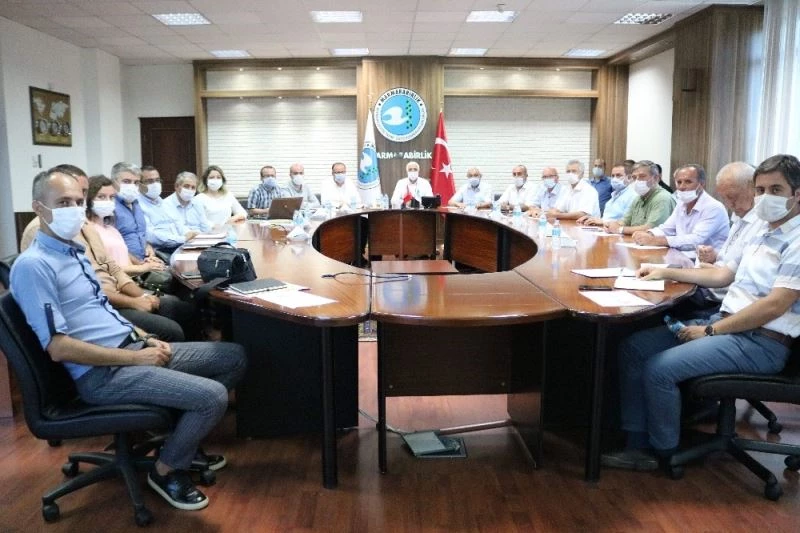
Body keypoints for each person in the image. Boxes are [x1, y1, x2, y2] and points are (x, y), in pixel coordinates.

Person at [10, 168, 247, 510]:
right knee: (211, 397)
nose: (74, 210)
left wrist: (144, 338)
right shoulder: (34, 266)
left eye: (77, 202)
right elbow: (58, 348)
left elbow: (104, 311)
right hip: (102, 374)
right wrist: (136, 357)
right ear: (38, 208)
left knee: (234, 356)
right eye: (62, 203)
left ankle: (177, 441)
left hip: (131, 349)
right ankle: (166, 469)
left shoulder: (73, 251)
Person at [601, 154, 800, 471]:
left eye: (776, 190)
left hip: (761, 341)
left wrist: (709, 331)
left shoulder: (796, 240)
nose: (765, 198)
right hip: (728, 324)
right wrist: (665, 271)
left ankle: (663, 452)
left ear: (796, 194)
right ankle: (636, 441)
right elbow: (722, 274)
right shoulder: (762, 230)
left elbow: (775, 305)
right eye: (761, 190)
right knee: (635, 347)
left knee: (659, 369)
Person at [86, 175, 198, 341]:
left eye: (111, 197)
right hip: (116, 295)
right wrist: (142, 270)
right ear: (88, 200)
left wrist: (143, 261)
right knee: (173, 320)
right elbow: (108, 269)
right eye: (101, 197)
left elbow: (123, 254)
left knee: (183, 306)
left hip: (130, 283)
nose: (108, 202)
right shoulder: (89, 231)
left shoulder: (110, 228)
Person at [631, 164, 729, 251]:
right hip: (682, 255)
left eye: (688, 182)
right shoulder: (681, 203)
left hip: (706, 261)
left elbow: (696, 240)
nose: (682, 187)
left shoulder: (713, 207)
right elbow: (667, 228)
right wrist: (648, 234)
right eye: (679, 182)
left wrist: (655, 240)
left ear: (702, 184)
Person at [20, 164, 87, 251]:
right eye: (64, 202)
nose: (75, 209)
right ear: (38, 208)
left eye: (79, 202)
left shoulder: (77, 252)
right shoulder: (34, 260)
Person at [604, 160, 676, 236]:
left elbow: (651, 228)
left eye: (642, 176)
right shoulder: (638, 198)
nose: (637, 181)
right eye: (634, 177)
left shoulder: (662, 198)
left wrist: (620, 229)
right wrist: (611, 225)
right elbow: (625, 221)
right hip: (636, 240)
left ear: (656, 178)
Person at [137, 166, 195, 253]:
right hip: (163, 251)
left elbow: (178, 223)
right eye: (150, 181)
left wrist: (189, 233)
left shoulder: (163, 202)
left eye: (157, 180)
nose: (155, 184)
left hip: (181, 246)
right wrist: (182, 239)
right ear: (139, 184)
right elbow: (151, 236)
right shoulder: (138, 206)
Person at [111, 162, 158, 262]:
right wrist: (141, 265)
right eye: (126, 181)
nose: (132, 186)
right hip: (124, 264)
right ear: (113, 182)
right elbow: (110, 247)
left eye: (136, 182)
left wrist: (148, 246)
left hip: (145, 260)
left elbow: (140, 234)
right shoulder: (110, 207)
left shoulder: (136, 203)